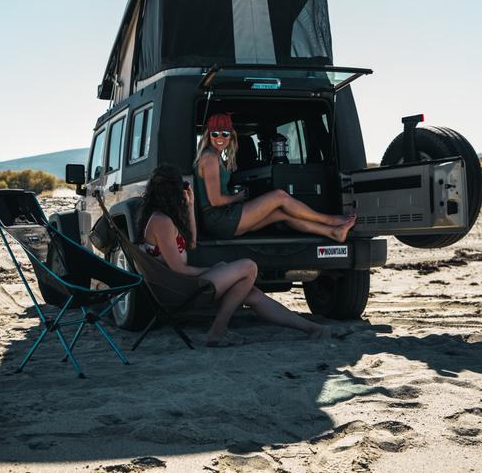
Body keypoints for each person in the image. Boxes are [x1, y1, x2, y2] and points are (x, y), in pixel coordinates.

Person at [136, 165, 328, 347]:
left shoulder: (164, 218)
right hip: (180, 288)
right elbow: (179, 268)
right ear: (174, 191)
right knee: (248, 267)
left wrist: (190, 205)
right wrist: (214, 269)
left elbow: (192, 243)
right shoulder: (161, 222)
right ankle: (217, 331)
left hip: (183, 284)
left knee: (252, 293)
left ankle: (310, 328)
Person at [194, 113, 357, 241]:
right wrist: (237, 197)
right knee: (280, 196)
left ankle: (333, 232)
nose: (220, 138)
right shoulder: (209, 158)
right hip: (219, 220)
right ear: (209, 135)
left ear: (231, 136)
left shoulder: (217, 157)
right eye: (215, 134)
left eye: (225, 133)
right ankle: (331, 221)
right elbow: (215, 201)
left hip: (223, 217)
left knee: (281, 213)